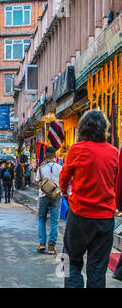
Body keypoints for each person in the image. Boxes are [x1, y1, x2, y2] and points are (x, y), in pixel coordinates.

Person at [59, 110, 118, 288]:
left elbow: (64, 179)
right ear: (104, 129)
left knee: (69, 261)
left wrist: (64, 190)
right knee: (98, 268)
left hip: (80, 215)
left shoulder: (77, 150)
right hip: (106, 218)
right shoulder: (114, 153)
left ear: (82, 129)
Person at [35, 147, 62, 255]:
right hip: (56, 196)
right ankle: (51, 246)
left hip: (43, 196)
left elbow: (37, 183)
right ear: (55, 156)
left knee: (42, 219)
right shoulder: (60, 167)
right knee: (54, 222)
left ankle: (42, 244)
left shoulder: (41, 168)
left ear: (45, 155)